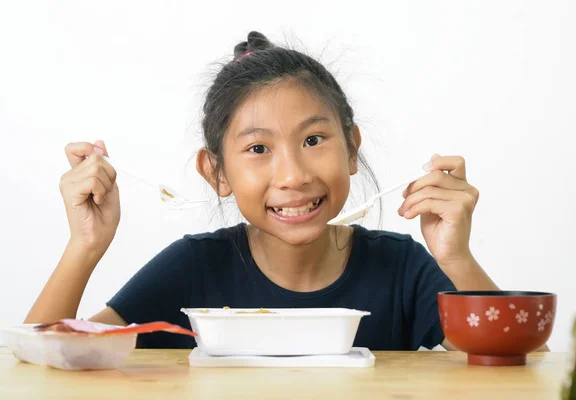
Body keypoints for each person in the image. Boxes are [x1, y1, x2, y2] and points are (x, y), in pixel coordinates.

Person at [25, 31, 501, 350]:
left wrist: (456, 257)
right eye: (257, 148)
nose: (293, 175)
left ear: (352, 149)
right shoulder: (193, 268)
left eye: (313, 140)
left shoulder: (401, 269)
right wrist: (84, 245)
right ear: (217, 173)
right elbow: (45, 361)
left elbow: (518, 369)